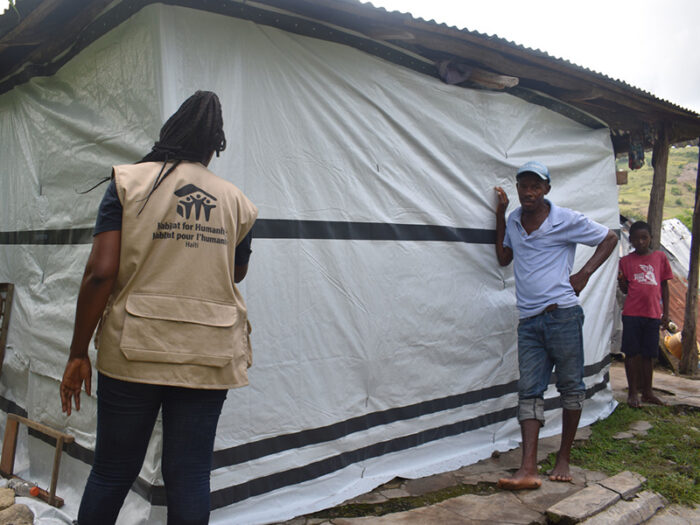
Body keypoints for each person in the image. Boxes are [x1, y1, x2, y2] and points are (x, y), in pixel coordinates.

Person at [60, 91, 258, 525]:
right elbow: (237, 272)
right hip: (208, 352)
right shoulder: (237, 201)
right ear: (215, 145)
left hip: (135, 348)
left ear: (169, 132)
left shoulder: (128, 182)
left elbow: (101, 272)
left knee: (113, 471)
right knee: (189, 476)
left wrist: (77, 353)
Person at [493, 161, 617, 490]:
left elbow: (610, 237)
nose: (529, 192)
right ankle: (528, 469)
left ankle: (563, 459)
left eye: (536, 186)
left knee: (570, 389)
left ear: (547, 189)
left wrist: (585, 274)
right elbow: (504, 258)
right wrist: (500, 215)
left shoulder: (565, 219)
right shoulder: (515, 220)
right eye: (524, 186)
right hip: (530, 321)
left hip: (562, 314)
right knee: (529, 393)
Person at [618, 221, 671, 407]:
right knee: (632, 353)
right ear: (630, 240)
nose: (640, 242)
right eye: (636, 239)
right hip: (632, 313)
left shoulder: (660, 258)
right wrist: (621, 281)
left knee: (649, 354)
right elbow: (624, 290)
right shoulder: (625, 261)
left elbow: (664, 285)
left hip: (653, 314)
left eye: (644, 238)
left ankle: (648, 392)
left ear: (651, 239)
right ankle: (633, 392)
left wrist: (666, 312)